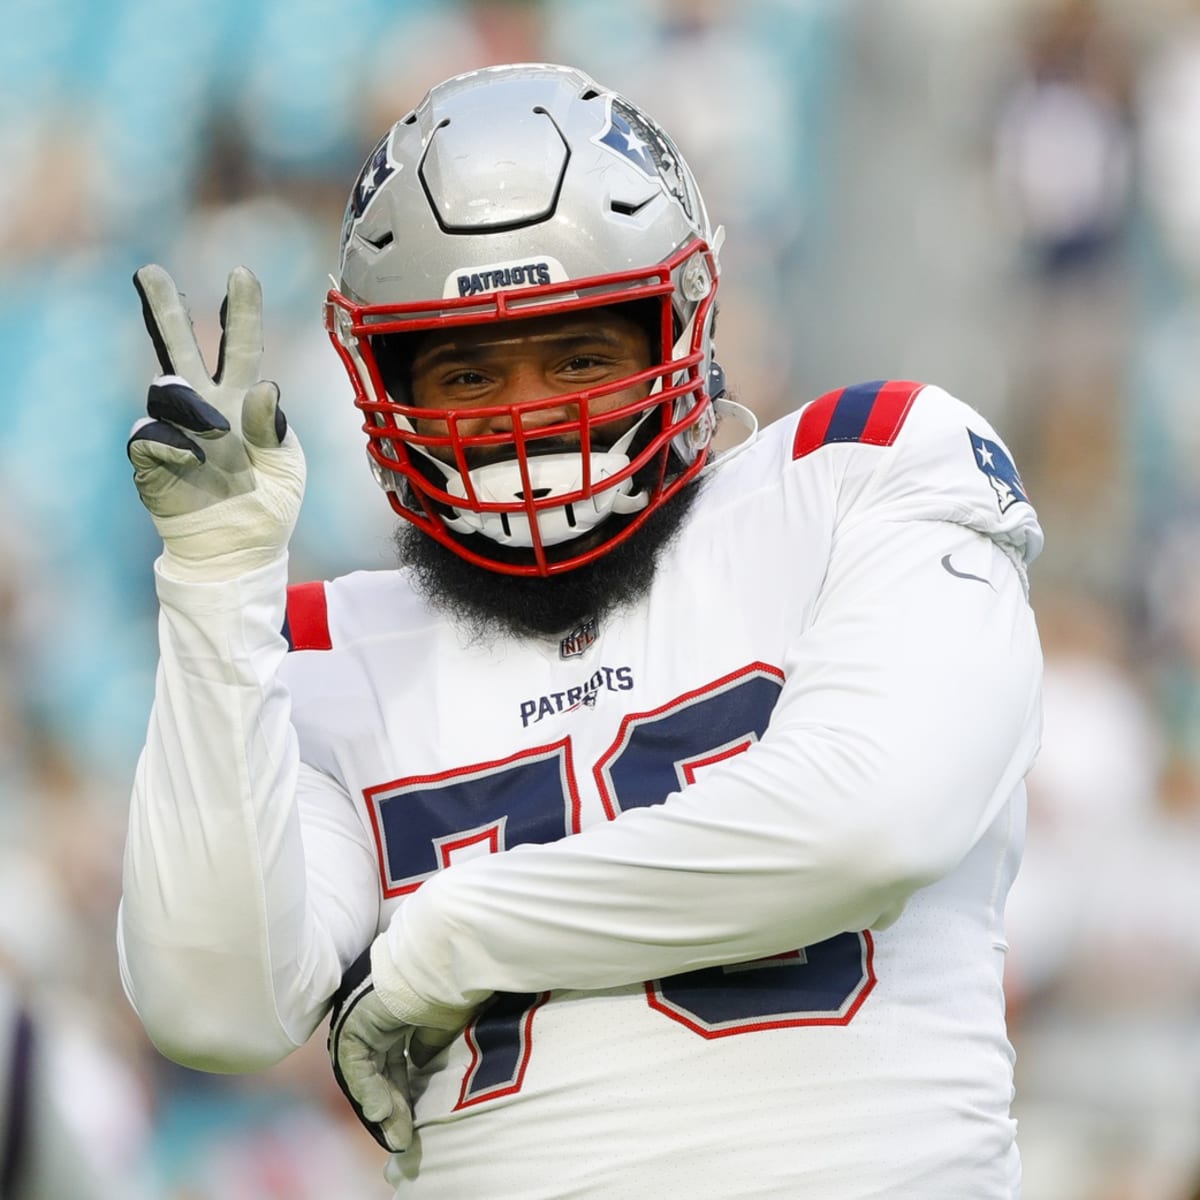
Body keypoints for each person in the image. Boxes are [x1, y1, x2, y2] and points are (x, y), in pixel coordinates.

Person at [117, 63, 1044, 1198]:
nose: (529, 411)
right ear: (382, 381)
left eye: (578, 356)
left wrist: (442, 944)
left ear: (685, 319)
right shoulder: (327, 648)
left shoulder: (863, 469)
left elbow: (869, 824)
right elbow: (215, 1005)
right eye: (467, 369)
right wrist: (216, 584)